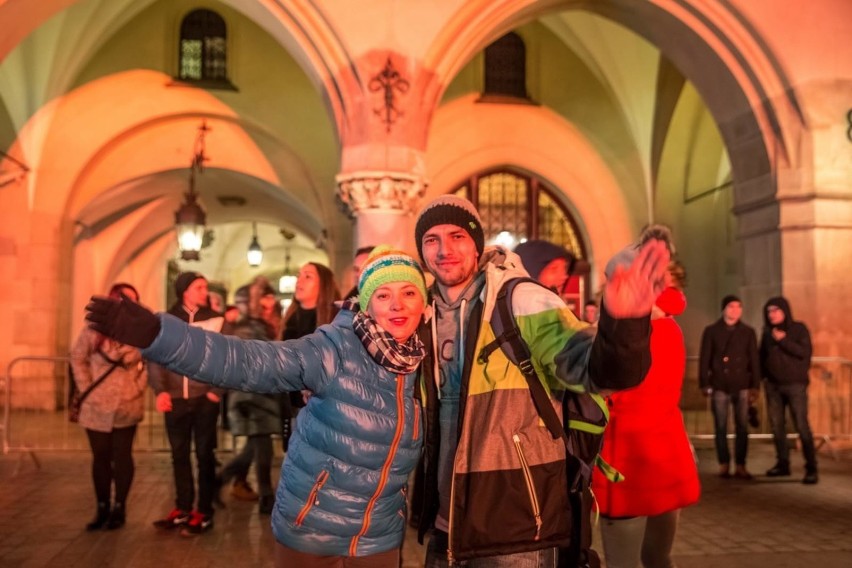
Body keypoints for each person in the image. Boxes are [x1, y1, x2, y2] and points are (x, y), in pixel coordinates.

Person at [85, 247, 429, 568]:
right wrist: (159, 335)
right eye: (383, 295)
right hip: (312, 532)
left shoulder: (422, 363)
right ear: (367, 304)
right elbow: (250, 361)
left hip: (378, 540)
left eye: (408, 293)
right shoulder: (333, 349)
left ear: (423, 303)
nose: (397, 304)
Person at [409, 195, 670, 566]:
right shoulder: (420, 315)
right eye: (431, 240)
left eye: (457, 236)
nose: (444, 250)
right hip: (445, 525)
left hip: (515, 526)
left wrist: (624, 322)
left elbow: (597, 371)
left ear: (477, 243)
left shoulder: (521, 300)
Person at [593, 259, 700, 568]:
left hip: (627, 460)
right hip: (666, 455)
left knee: (624, 563)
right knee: (658, 558)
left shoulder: (629, 334)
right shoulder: (670, 327)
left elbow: (604, 390)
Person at [148, 271, 225, 535]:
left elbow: (225, 356)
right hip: (176, 399)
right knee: (179, 456)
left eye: (205, 286)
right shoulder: (166, 321)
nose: (205, 291)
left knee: (205, 455)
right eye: (199, 287)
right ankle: (182, 508)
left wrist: (216, 390)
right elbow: (155, 356)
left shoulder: (215, 320)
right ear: (185, 291)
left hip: (204, 398)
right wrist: (160, 390)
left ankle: (203, 511)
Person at [70, 282, 148, 531]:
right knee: (101, 457)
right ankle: (102, 506)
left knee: (122, 457)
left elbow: (150, 362)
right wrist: (86, 387)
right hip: (97, 404)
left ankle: (119, 507)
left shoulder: (141, 333)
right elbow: (78, 357)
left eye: (134, 300)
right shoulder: (94, 329)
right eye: (125, 299)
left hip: (127, 403)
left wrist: (138, 386)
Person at [217, 279, 281, 514]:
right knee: (262, 449)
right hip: (250, 398)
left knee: (254, 449)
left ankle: (222, 480)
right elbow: (245, 363)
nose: (271, 301)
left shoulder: (265, 324)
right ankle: (266, 496)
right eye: (266, 296)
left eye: (272, 297)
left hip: (263, 396)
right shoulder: (246, 327)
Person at [278, 262, 341, 451]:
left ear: (324, 284)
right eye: (299, 275)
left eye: (308, 276)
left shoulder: (335, 318)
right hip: (294, 402)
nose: (299, 280)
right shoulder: (291, 317)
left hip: (325, 407)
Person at [699, 294, 761, 479]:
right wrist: (705, 383)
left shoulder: (748, 332)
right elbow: (705, 359)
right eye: (731, 306)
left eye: (738, 307)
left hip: (741, 384)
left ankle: (741, 464)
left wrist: (755, 386)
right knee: (720, 426)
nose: (735, 310)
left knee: (742, 426)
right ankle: (724, 463)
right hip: (719, 384)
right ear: (724, 309)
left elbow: (754, 360)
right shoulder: (711, 331)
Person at [760, 296, 818, 484]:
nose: (772, 314)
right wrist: (760, 380)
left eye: (776, 310)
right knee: (777, 427)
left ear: (785, 311)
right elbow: (762, 357)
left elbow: (804, 353)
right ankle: (782, 464)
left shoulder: (798, 329)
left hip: (795, 385)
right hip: (773, 387)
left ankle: (811, 468)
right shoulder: (767, 333)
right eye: (769, 311)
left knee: (801, 425)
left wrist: (783, 340)